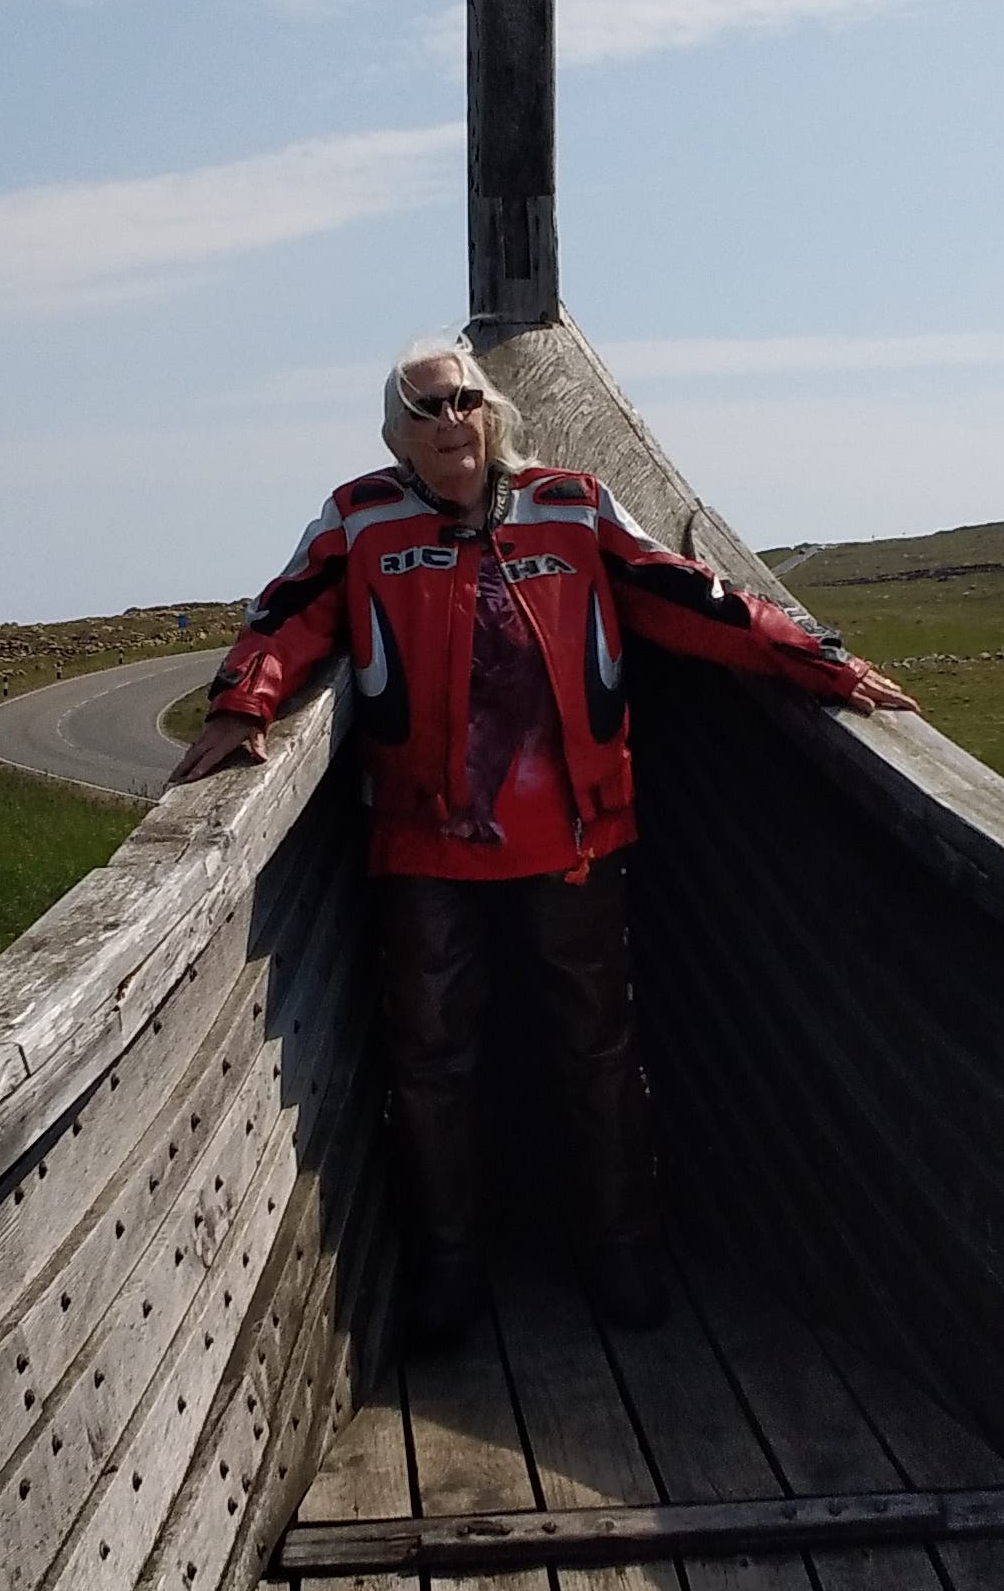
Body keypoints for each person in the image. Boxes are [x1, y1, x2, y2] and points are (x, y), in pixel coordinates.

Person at [172, 334, 917, 1343]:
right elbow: (288, 615)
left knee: (598, 1050)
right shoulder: (362, 518)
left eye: (463, 402)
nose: (448, 423)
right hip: (425, 843)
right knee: (431, 1063)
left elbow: (686, 594)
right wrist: (242, 703)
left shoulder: (571, 505)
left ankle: (621, 1251)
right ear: (396, 433)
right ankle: (448, 1268)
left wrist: (818, 662)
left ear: (495, 414)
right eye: (423, 409)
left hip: (574, 834)